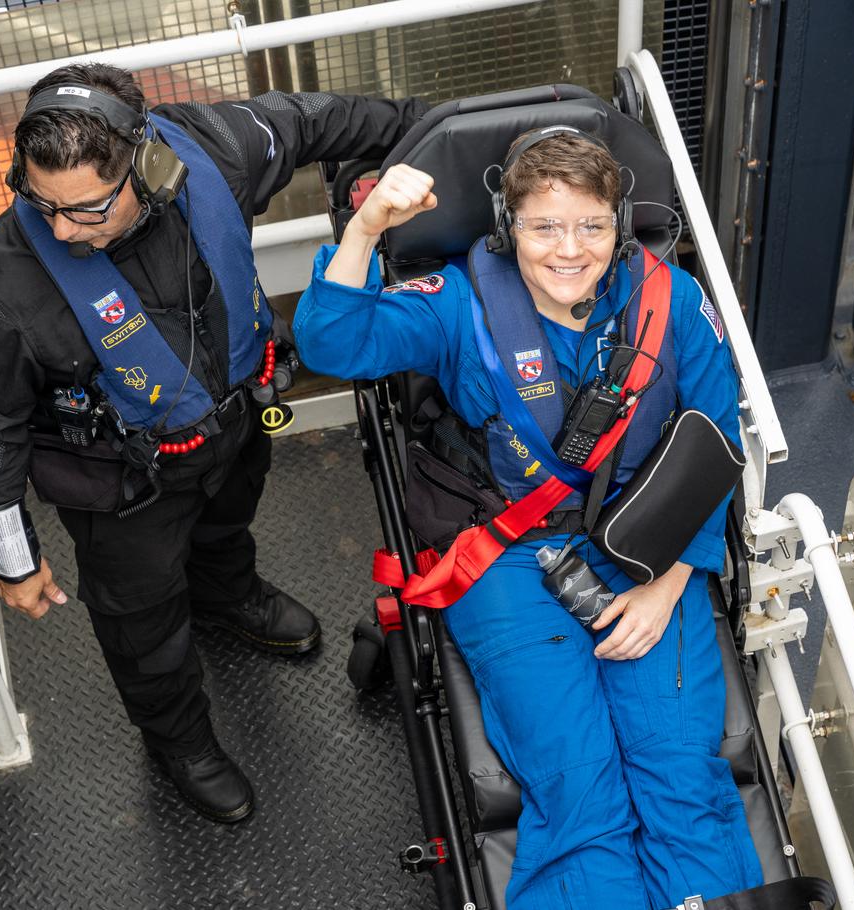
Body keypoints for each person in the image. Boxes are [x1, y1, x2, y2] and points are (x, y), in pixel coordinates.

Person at [0, 62, 427, 824]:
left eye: (89, 207)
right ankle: (178, 742)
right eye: (41, 202)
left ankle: (227, 595)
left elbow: (310, 121)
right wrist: (12, 558)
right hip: (121, 488)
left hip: (233, 424)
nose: (63, 228)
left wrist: (429, 131)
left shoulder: (210, 148)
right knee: (144, 626)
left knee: (229, 520)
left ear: (148, 162)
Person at [293, 129, 764, 908]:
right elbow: (330, 341)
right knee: (580, 794)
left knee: (684, 778)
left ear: (620, 225)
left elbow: (715, 449)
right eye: (544, 226)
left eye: (592, 225)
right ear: (509, 228)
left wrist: (668, 586)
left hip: (648, 548)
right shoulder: (457, 305)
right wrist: (368, 226)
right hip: (506, 556)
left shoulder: (671, 300)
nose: (569, 250)